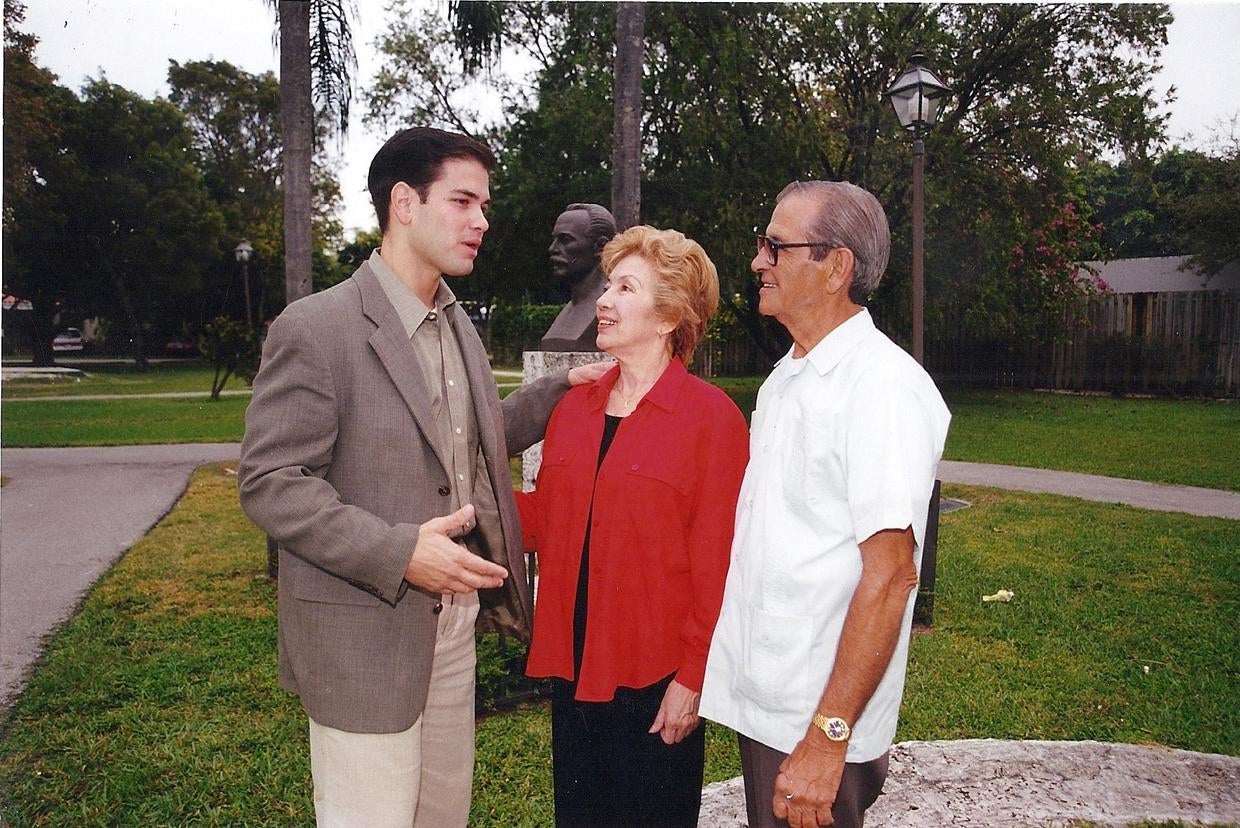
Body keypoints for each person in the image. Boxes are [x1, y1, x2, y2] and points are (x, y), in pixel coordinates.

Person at [238, 126, 606, 828]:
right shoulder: (317, 328)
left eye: (485, 206)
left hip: (452, 629)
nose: (482, 222)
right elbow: (271, 479)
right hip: (364, 644)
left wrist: (556, 394)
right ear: (404, 203)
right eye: (464, 202)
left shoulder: (454, 322)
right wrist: (400, 551)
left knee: (443, 816)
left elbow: (460, 440)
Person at [700, 181, 951, 828]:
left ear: (836, 266)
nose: (758, 261)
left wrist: (828, 736)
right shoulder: (787, 379)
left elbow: (893, 576)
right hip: (774, 702)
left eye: (776, 247)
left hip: (819, 717)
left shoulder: (881, 388)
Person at [517, 225, 750, 826]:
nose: (605, 299)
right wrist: (458, 500)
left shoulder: (712, 421)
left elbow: (718, 563)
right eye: (608, 284)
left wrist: (691, 680)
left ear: (669, 315)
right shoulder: (574, 411)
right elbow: (544, 522)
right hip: (572, 670)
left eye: (626, 287)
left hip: (654, 681)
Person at [540, 203, 618, 351]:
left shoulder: (608, 310)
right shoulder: (570, 309)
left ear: (601, 246)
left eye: (565, 240)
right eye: (555, 240)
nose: (552, 249)